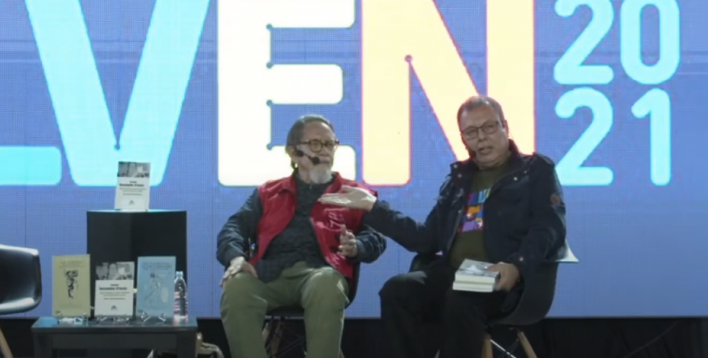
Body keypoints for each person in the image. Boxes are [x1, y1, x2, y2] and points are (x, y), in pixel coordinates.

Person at [319, 95, 567, 358]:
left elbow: (548, 228)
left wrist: (516, 265)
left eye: (489, 127)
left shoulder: (535, 170)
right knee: (397, 291)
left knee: (462, 298)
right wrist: (373, 207)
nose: (482, 138)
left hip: (503, 275)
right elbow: (426, 239)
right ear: (463, 138)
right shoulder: (459, 179)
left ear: (504, 126)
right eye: (471, 132)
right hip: (457, 273)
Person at [217, 114, 387, 358]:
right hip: (267, 274)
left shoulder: (355, 193)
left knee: (327, 283)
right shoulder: (268, 192)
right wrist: (235, 257)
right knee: (237, 286)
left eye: (330, 144)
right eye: (316, 144)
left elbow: (376, 238)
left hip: (320, 273)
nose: (325, 151)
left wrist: (357, 246)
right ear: (294, 152)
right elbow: (233, 227)